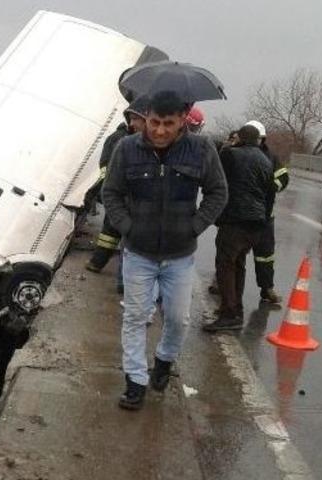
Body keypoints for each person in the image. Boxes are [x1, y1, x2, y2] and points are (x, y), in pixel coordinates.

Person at [103, 90, 228, 410]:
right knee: (135, 317)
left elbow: (218, 193)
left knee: (178, 318)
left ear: (182, 121)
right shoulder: (126, 149)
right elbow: (111, 193)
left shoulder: (201, 150)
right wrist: (127, 227)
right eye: (154, 122)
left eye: (168, 124)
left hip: (179, 256)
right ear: (145, 119)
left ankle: (163, 360)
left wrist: (194, 226)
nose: (159, 131)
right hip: (138, 254)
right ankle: (135, 381)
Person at [203, 124, 274, 332]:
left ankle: (228, 313)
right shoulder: (265, 160)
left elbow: (217, 184)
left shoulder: (230, 155)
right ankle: (236, 310)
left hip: (234, 220)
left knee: (225, 265)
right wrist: (263, 218)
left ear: (240, 138)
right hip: (257, 222)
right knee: (239, 265)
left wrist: (214, 214)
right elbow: (270, 194)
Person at [85, 96, 150, 275]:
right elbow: (109, 166)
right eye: (132, 119)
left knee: (116, 232)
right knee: (115, 231)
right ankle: (102, 265)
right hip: (123, 196)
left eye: (136, 119)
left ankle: (99, 264)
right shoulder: (121, 139)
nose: (133, 122)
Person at [244, 120, 289, 305]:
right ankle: (222, 286)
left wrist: (271, 188)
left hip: (264, 215)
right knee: (232, 256)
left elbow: (283, 178)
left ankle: (266, 288)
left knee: (265, 255)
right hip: (241, 215)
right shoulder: (236, 154)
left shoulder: (271, 157)